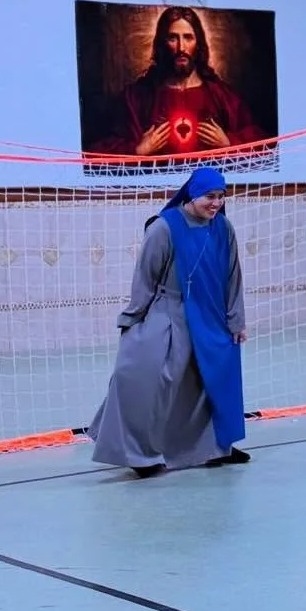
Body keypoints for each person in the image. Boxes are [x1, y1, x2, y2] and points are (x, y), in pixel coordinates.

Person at [89, 165, 250, 477]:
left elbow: (233, 278)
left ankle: (216, 448)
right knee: (146, 379)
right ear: (192, 194)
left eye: (220, 197)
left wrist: (236, 321)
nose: (216, 203)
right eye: (209, 196)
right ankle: (140, 456)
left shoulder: (224, 229)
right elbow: (145, 279)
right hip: (168, 312)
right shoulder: (163, 228)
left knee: (212, 382)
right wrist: (134, 318)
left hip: (212, 315)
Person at [90, 7, 267, 159]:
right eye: (173, 38)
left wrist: (229, 144)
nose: (181, 48)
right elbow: (98, 150)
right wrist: (138, 150)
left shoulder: (222, 95)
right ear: (162, 43)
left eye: (188, 37)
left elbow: (263, 142)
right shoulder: (137, 97)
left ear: (198, 44)